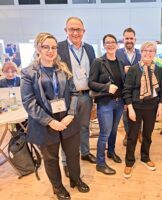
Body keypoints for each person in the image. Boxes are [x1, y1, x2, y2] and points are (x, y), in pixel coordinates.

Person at [21, 32, 89, 200]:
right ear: (38, 48)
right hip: (45, 123)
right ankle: (57, 188)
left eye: (54, 47)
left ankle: (75, 179)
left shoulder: (63, 68)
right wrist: (49, 121)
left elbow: (74, 93)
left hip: (67, 120)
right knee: (51, 159)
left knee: (73, 154)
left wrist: (71, 114)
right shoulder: (28, 72)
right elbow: (29, 102)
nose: (51, 51)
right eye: (46, 47)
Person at [57, 17, 96, 177]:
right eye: (71, 29)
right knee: (67, 131)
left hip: (86, 96)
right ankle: (66, 162)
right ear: (65, 30)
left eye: (78, 29)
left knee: (85, 127)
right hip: (68, 98)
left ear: (84, 31)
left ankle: (85, 152)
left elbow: (94, 73)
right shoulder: (59, 48)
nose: (75, 32)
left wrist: (95, 98)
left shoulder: (90, 49)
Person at [123, 42, 162, 178]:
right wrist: (130, 109)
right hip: (136, 107)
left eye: (151, 51)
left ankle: (145, 157)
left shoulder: (158, 69)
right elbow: (127, 90)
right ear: (141, 52)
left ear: (155, 53)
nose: (148, 53)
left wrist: (160, 107)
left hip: (152, 107)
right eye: (145, 50)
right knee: (132, 135)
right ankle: (129, 161)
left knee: (147, 134)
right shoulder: (134, 70)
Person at [89, 34, 125, 175]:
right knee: (105, 133)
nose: (110, 44)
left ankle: (111, 152)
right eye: (107, 42)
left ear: (117, 45)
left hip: (119, 103)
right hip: (106, 103)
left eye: (113, 42)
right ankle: (100, 163)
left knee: (114, 130)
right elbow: (91, 83)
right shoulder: (98, 62)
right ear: (104, 45)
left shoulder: (120, 62)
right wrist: (106, 88)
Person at [116, 27, 142, 147]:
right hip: (123, 90)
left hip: (138, 90)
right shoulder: (117, 53)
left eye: (131, 38)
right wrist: (122, 70)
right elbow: (112, 70)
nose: (129, 40)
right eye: (127, 38)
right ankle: (128, 133)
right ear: (123, 39)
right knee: (125, 114)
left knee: (139, 113)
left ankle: (139, 132)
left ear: (135, 39)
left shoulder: (140, 54)